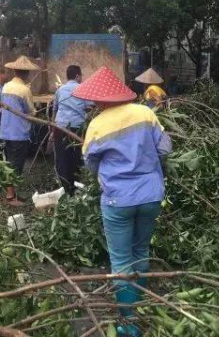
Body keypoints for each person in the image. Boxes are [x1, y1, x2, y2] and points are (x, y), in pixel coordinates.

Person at [73, 66, 172, 337]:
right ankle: (141, 304)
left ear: (101, 101)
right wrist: (146, 162)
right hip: (151, 195)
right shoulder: (146, 113)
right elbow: (165, 148)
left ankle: (129, 323)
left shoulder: (97, 124)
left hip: (118, 200)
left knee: (120, 260)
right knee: (140, 250)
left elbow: (90, 163)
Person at [0, 56, 39, 206]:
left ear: (15, 71)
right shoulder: (25, 90)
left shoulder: (6, 86)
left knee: (9, 163)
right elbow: (31, 112)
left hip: (6, 131)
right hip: (19, 133)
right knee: (16, 165)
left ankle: (11, 193)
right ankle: (10, 197)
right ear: (27, 73)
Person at [52, 65, 90, 195]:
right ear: (78, 76)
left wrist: (52, 130)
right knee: (77, 158)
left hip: (60, 127)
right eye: (81, 76)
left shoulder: (60, 90)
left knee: (62, 158)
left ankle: (64, 187)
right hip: (76, 128)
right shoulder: (83, 90)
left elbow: (54, 109)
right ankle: (75, 186)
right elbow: (89, 108)